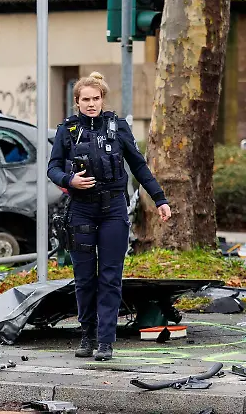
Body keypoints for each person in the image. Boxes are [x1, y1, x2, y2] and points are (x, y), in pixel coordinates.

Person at [47, 72, 172, 361]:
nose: (91, 104)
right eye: (85, 100)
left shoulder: (118, 127)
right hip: (81, 209)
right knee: (84, 278)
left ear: (103, 99)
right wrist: (69, 180)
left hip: (113, 209)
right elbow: (52, 167)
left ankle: (106, 341)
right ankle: (87, 336)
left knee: (110, 276)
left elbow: (139, 167)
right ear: (76, 102)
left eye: (96, 99)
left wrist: (160, 199)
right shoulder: (67, 130)